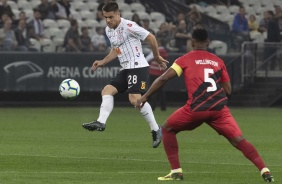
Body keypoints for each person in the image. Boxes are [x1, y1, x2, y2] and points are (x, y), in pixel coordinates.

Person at [136, 25, 274, 182]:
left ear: (192, 42)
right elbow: (228, 90)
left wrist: (145, 96)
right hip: (219, 110)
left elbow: (163, 78)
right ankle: (265, 170)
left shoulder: (184, 59)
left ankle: (176, 171)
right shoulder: (218, 61)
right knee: (239, 140)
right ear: (208, 42)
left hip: (195, 109)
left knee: (167, 129)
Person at [82, 2, 168, 148]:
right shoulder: (109, 30)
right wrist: (103, 61)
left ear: (118, 14)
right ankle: (101, 122)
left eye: (110, 17)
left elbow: (151, 38)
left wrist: (157, 57)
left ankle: (156, 129)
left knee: (134, 99)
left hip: (138, 66)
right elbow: (117, 50)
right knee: (107, 90)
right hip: (125, 68)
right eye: (105, 17)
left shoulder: (129, 26)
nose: (108, 20)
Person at [146, 38, 168, 111]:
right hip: (162, 74)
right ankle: (163, 107)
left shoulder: (157, 50)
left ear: (159, 42)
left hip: (154, 73)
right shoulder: (164, 51)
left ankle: (152, 107)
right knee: (161, 91)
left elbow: (147, 59)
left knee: (153, 90)